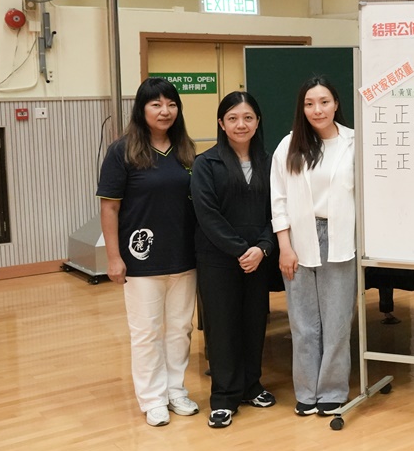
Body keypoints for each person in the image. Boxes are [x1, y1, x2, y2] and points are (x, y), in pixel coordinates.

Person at [97, 77, 198, 426]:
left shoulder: (185, 150)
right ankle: (152, 398)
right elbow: (109, 207)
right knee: (147, 331)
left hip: (184, 255)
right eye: (156, 104)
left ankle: (175, 390)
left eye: (171, 104)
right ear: (142, 109)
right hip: (141, 259)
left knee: (180, 328)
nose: (164, 111)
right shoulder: (122, 151)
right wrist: (114, 257)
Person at [191, 91, 279, 429]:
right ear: (221, 123)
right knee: (222, 326)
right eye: (232, 118)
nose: (241, 124)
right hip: (219, 259)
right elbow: (207, 215)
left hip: (258, 258)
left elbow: (278, 211)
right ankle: (224, 397)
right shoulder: (206, 163)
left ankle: (251, 386)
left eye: (247, 118)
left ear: (257, 122)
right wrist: (241, 250)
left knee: (254, 323)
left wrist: (263, 248)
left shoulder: (270, 163)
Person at [270, 76, 356, 417]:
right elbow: (278, 199)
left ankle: (333, 390)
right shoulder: (288, 145)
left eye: (323, 102)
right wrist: (284, 246)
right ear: (301, 108)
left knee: (337, 322)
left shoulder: (354, 142)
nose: (317, 109)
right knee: (303, 324)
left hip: (340, 237)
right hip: (299, 238)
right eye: (309, 103)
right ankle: (306, 391)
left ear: (336, 104)